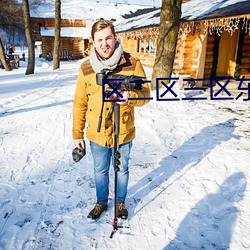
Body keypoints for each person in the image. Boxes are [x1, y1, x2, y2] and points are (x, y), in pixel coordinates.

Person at [72, 20, 150, 220]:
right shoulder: (86, 68)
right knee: (100, 170)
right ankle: (101, 202)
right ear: (93, 42)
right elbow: (80, 102)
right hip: (97, 133)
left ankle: (121, 202)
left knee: (122, 168)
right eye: (99, 40)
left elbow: (146, 95)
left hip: (123, 130)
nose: (104, 43)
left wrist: (130, 97)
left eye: (108, 38)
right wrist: (77, 134)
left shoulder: (132, 64)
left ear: (115, 38)